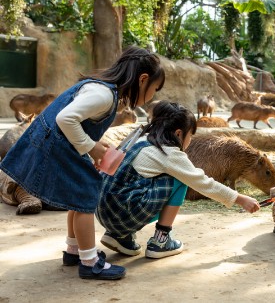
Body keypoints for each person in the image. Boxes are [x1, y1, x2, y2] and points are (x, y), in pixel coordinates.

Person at [0, 46, 165, 280]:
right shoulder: (104, 95)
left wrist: (93, 150)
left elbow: (74, 123)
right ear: (143, 79)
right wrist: (92, 147)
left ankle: (74, 250)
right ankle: (90, 263)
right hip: (55, 147)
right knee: (87, 196)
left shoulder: (102, 89)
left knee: (76, 199)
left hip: (57, 145)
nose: (153, 96)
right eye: (155, 90)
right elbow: (65, 118)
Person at [95, 101, 261, 259]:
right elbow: (202, 182)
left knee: (135, 183)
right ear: (179, 134)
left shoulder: (141, 139)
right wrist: (240, 199)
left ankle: (118, 236)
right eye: (190, 135)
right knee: (180, 179)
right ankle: (161, 240)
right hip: (122, 215)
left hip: (103, 210)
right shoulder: (169, 153)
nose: (190, 140)